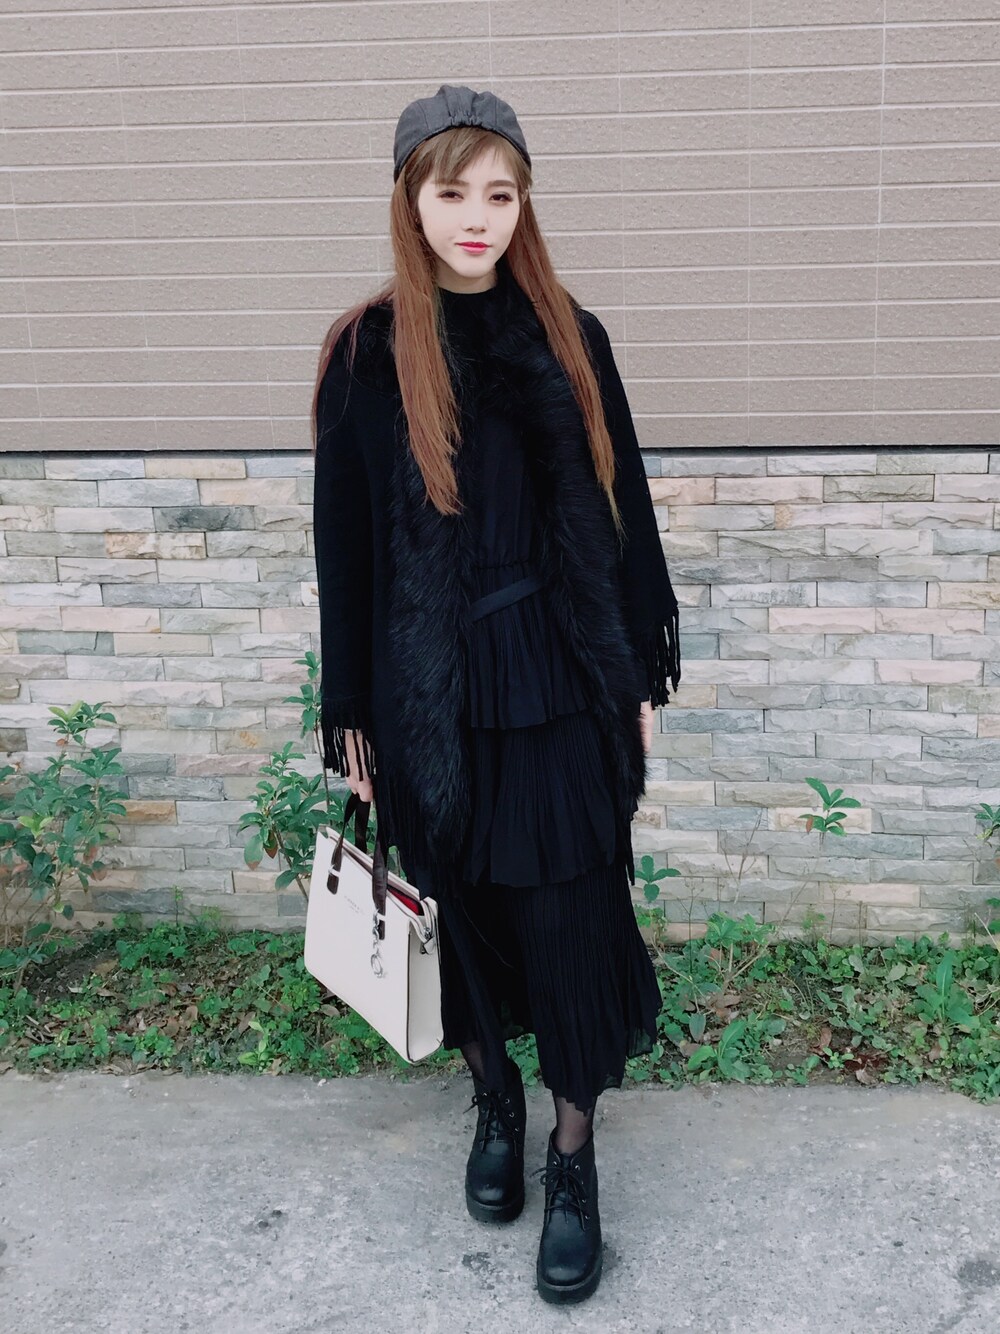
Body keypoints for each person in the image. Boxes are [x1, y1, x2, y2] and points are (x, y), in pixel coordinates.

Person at [311, 84, 681, 1306]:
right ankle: (495, 1098)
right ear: (409, 201)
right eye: (452, 191)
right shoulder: (365, 354)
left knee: (572, 915)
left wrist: (634, 669)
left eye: (500, 193)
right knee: (461, 910)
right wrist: (352, 716)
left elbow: (623, 512)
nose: (477, 216)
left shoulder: (571, 332)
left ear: (524, 204)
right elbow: (344, 551)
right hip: (431, 693)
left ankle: (572, 1156)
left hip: (559, 679)